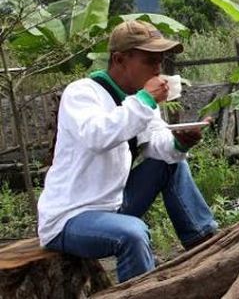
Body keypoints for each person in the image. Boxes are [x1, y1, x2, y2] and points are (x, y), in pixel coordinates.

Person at [37, 20, 217, 283]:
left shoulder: (140, 101)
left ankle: (205, 246)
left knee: (171, 163)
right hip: (70, 218)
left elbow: (157, 144)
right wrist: (144, 101)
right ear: (120, 59)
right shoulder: (82, 93)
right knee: (132, 234)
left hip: (115, 206)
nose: (158, 69)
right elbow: (98, 136)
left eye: (161, 61)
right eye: (150, 60)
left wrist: (180, 143)